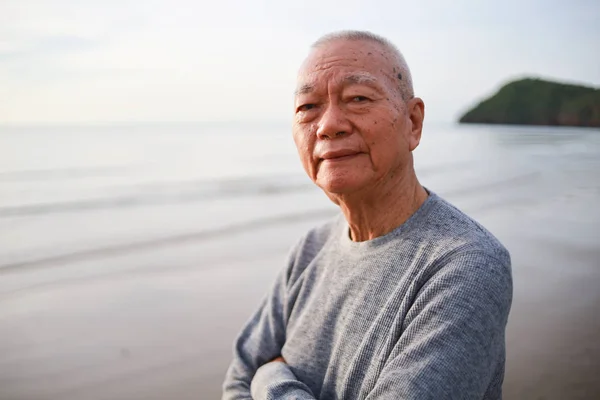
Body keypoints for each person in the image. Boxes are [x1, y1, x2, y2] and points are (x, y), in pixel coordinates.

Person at [222, 30, 513, 400]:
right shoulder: (311, 249)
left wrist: (271, 379)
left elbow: (254, 378)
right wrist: (257, 376)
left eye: (358, 98)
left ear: (413, 122)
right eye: (307, 107)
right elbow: (236, 383)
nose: (327, 126)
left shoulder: (465, 264)